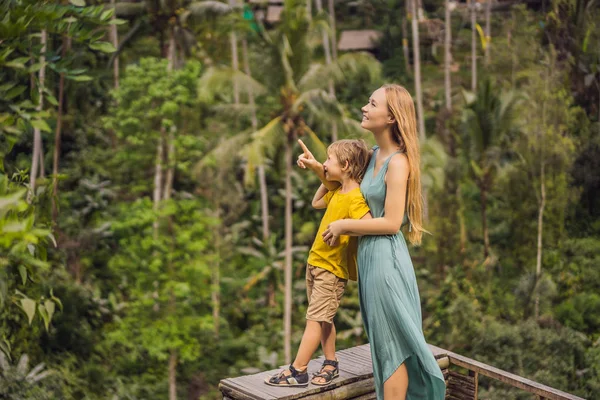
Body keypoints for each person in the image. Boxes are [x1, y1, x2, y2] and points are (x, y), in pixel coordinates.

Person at [299, 85, 446, 399]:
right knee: (383, 345)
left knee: (391, 346)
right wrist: (317, 168)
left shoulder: (398, 163)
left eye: (372, 103)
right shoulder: (373, 155)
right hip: (369, 258)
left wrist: (342, 225)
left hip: (386, 262)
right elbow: (345, 183)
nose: (365, 107)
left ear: (391, 117)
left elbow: (392, 223)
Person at [264, 139, 372, 387]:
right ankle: (331, 363)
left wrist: (344, 227)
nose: (325, 164)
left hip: (331, 270)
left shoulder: (355, 198)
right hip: (316, 263)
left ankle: (298, 370)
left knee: (314, 319)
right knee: (324, 319)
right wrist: (317, 169)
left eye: (328, 160)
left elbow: (367, 223)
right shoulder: (337, 192)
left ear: (344, 165)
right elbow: (316, 201)